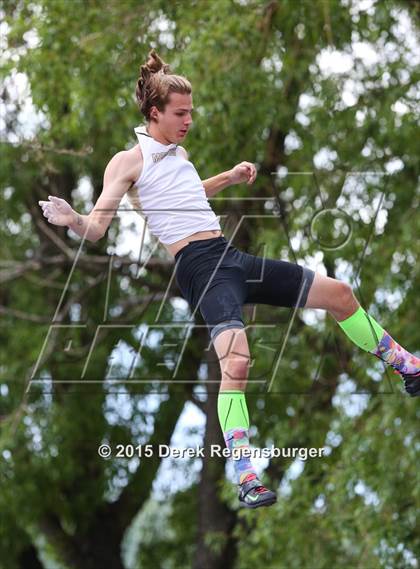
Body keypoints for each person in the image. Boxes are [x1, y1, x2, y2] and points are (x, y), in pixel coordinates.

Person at [39, 49, 420, 509]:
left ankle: (408, 366)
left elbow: (186, 196)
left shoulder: (178, 155)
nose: (188, 121)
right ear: (154, 112)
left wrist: (230, 177)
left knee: (339, 294)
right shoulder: (126, 162)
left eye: (191, 113)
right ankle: (245, 474)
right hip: (200, 270)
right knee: (236, 363)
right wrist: (72, 218)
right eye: (180, 114)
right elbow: (98, 229)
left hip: (230, 258)